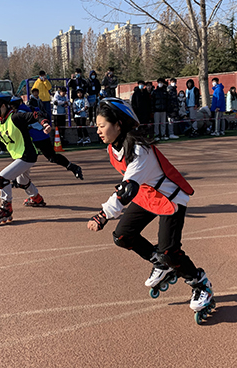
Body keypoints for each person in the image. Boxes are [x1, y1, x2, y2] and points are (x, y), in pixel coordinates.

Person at [86, 98, 214, 317]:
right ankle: (161, 264)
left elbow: (126, 190)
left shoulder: (139, 150)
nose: (98, 130)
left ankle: (200, 283)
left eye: (102, 126)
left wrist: (102, 215)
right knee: (123, 236)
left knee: (169, 252)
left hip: (170, 198)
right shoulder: (114, 148)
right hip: (147, 195)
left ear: (118, 124)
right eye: (97, 126)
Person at [0, 92, 52, 226]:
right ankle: (36, 198)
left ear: (3, 106)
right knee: (22, 181)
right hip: (20, 156)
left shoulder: (15, 117)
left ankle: (6, 208)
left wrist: (45, 124)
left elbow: (36, 115)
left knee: (2, 179)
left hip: (27, 155)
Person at [11, 96, 84, 180]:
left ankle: (16, 178)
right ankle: (72, 167)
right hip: (39, 135)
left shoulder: (20, 112)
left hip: (37, 136)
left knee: (28, 157)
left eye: (13, 104)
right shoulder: (28, 108)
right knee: (30, 157)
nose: (12, 106)